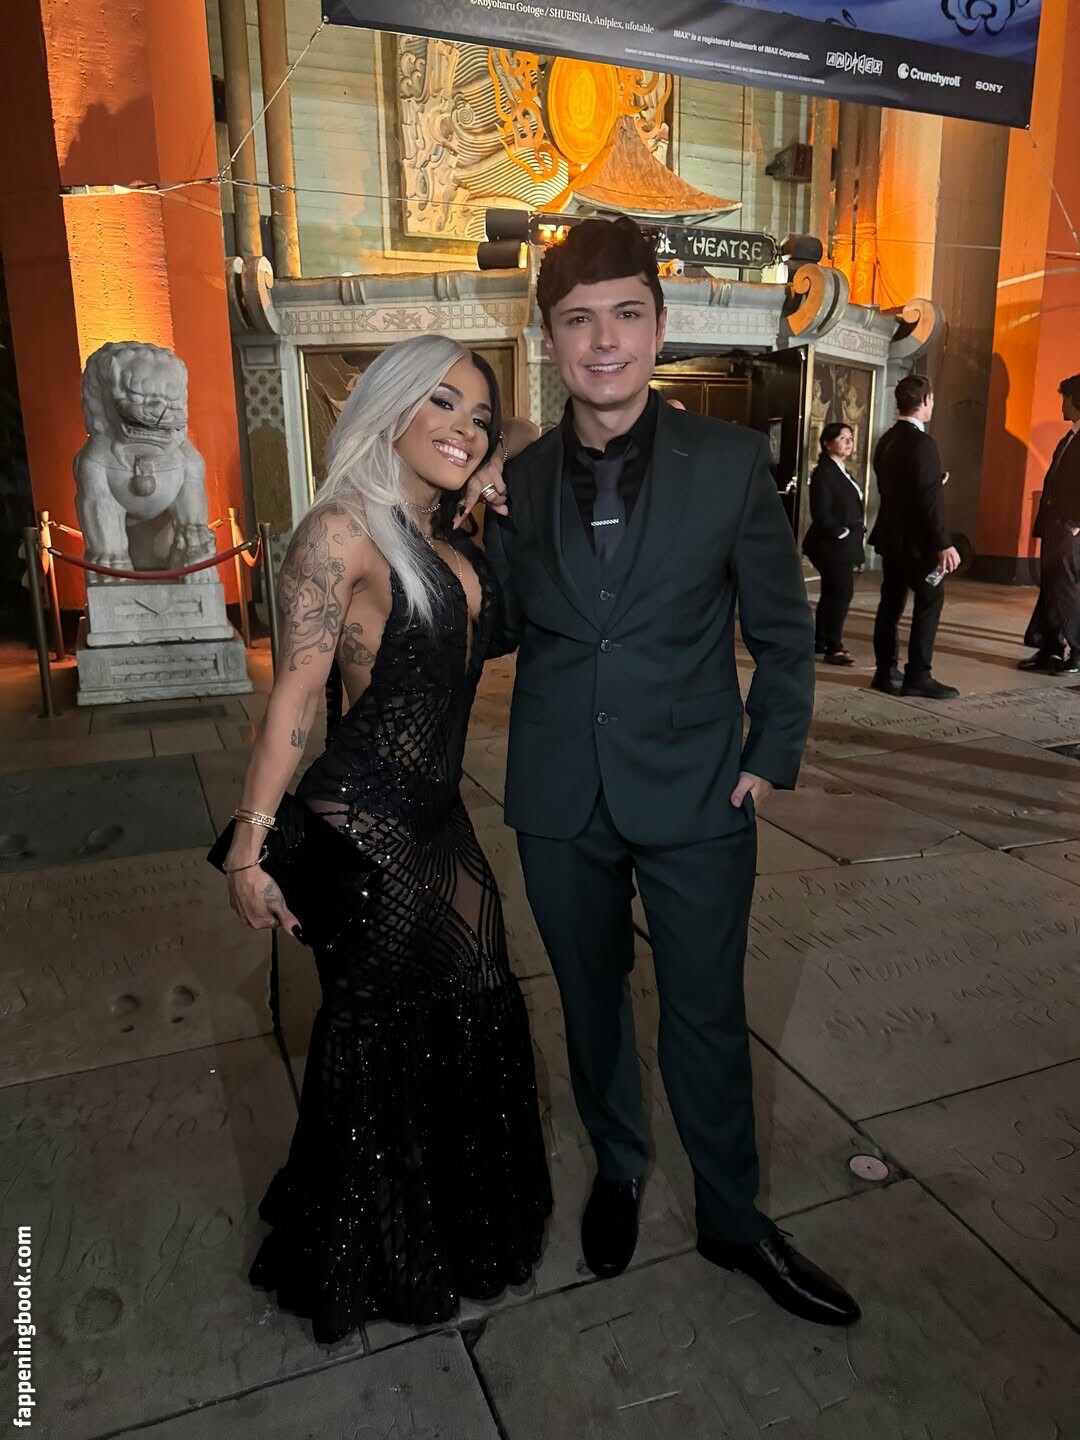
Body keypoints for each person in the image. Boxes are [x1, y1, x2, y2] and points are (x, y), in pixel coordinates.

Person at [476, 215, 859, 1328]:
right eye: (578, 321)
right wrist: (452, 520)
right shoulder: (520, 480)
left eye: (626, 316)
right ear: (549, 337)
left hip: (697, 791)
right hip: (559, 795)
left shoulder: (730, 463)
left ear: (659, 325)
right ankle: (620, 1167)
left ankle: (732, 1217)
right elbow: (499, 629)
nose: (604, 342)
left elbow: (782, 631)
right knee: (590, 1006)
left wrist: (768, 755)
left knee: (705, 1015)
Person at [224, 335, 551, 1342]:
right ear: (389, 407)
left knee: (476, 997)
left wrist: (487, 463)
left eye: (476, 415)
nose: (465, 428)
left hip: (438, 815)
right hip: (365, 822)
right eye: (440, 404)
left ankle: (441, 1222)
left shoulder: (441, 533)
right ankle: (369, 1251)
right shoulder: (340, 532)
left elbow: (530, 429)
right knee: (378, 1032)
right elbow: (295, 695)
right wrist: (249, 843)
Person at [868, 374, 960, 699]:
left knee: (890, 604)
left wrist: (933, 480)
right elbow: (927, 500)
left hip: (892, 538)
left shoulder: (887, 439)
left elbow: (895, 486)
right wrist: (943, 543)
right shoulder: (924, 443)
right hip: (918, 544)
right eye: (932, 399)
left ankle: (884, 671)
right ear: (925, 400)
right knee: (930, 602)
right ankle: (918, 676)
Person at [1019, 373, 1080, 674]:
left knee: (1067, 590)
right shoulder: (1070, 438)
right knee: (1052, 588)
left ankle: (1078, 652)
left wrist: (1076, 522)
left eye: (1065, 398)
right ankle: (1050, 648)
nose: (1062, 404)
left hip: (1069, 528)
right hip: (1056, 526)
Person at [802, 422, 865, 665]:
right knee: (841, 592)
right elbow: (821, 511)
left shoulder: (841, 470)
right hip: (831, 544)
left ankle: (821, 641)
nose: (848, 443)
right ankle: (834, 647)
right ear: (827, 443)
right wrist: (841, 532)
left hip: (842, 543)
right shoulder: (824, 473)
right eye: (842, 438)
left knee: (832, 592)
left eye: (850, 438)